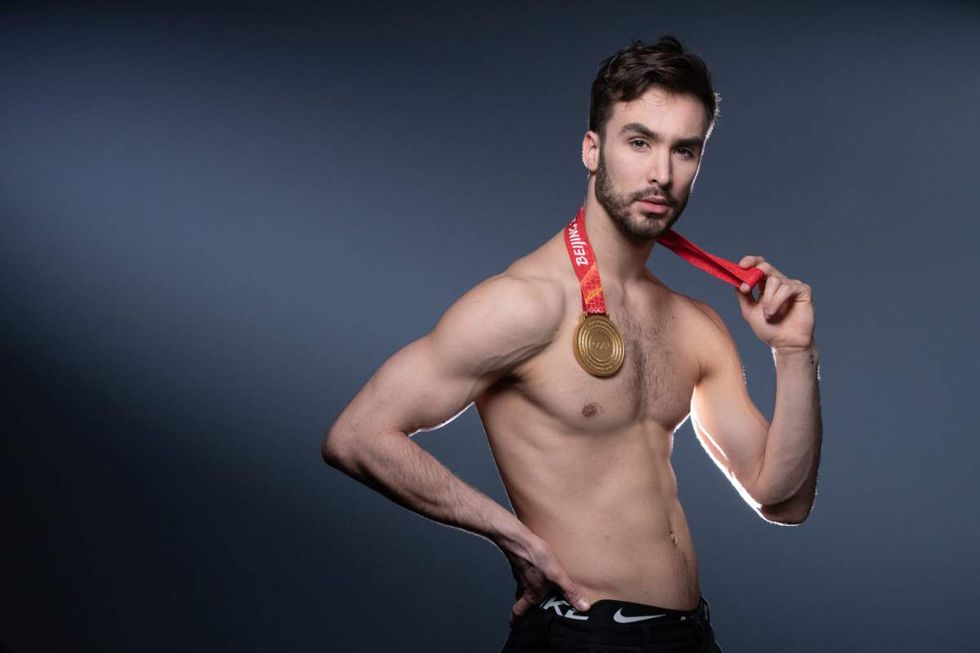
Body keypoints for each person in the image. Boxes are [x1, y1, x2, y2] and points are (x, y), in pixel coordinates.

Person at [322, 35, 822, 652]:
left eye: (684, 151)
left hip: (690, 637)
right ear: (593, 149)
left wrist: (794, 353)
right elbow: (357, 436)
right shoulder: (525, 303)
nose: (661, 173)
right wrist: (513, 536)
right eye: (639, 142)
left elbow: (783, 499)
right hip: (581, 637)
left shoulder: (697, 323)